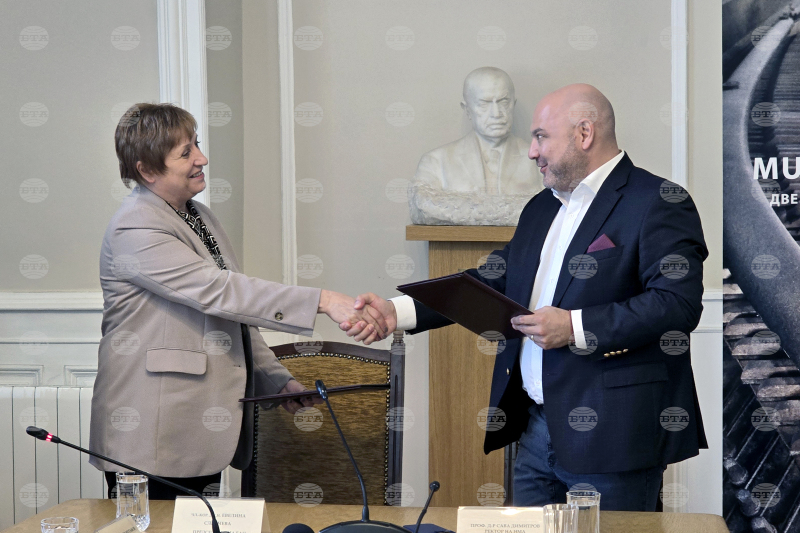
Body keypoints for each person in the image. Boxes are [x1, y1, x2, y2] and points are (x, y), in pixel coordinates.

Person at [345, 84, 708, 511]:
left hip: (615, 437)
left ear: (584, 133)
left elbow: (676, 304)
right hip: (534, 431)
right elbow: (492, 281)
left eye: (540, 137)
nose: (532, 151)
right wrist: (397, 311)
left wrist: (573, 327)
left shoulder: (658, 201)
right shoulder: (540, 207)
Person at [90, 103, 388, 499]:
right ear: (147, 170)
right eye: (186, 153)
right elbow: (221, 291)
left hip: (193, 434)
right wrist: (324, 300)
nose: (202, 158)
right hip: (152, 436)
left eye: (197, 144)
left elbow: (233, 315)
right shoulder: (135, 225)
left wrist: (275, 379)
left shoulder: (198, 215)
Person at [408, 67, 542, 226]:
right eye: (484, 103)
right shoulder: (436, 162)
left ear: (513, 104)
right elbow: (423, 208)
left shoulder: (541, 161)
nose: (496, 113)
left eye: (503, 102)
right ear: (467, 109)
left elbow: (552, 208)